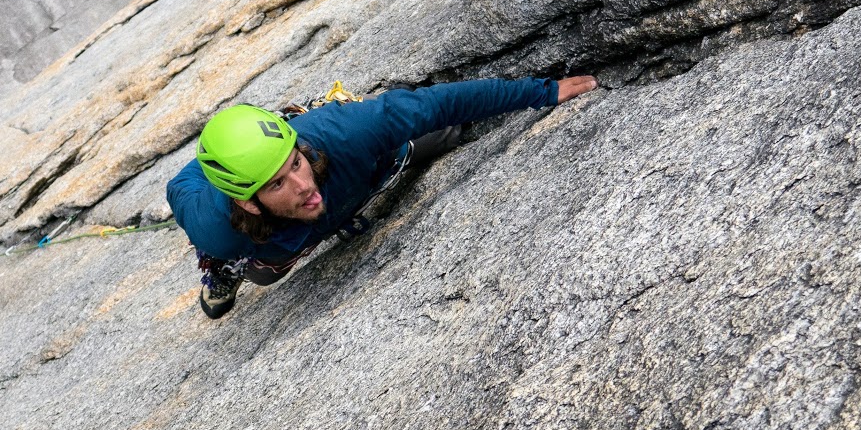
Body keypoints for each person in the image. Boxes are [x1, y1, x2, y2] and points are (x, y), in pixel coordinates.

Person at [167, 75, 598, 318]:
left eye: (295, 164)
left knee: (446, 133)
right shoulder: (215, 226)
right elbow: (181, 184)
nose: (303, 186)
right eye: (277, 184)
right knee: (265, 274)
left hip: (364, 170)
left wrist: (543, 93)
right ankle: (230, 272)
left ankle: (342, 144)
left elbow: (440, 103)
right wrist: (224, 160)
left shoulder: (347, 132)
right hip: (270, 241)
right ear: (245, 200)